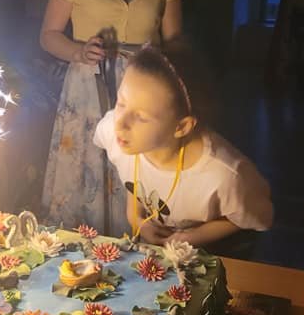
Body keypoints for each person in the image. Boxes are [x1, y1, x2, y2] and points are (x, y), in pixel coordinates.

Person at [40, 0, 182, 236]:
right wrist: (78, 51)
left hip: (143, 93)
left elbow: (176, 44)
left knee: (135, 178)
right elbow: (48, 36)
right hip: (88, 89)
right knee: (87, 175)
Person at [94, 41, 273, 252]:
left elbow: (254, 217)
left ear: (181, 127)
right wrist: (136, 218)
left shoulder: (225, 176)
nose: (121, 123)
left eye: (141, 117)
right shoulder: (114, 133)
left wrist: (194, 236)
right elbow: (134, 179)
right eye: (121, 103)